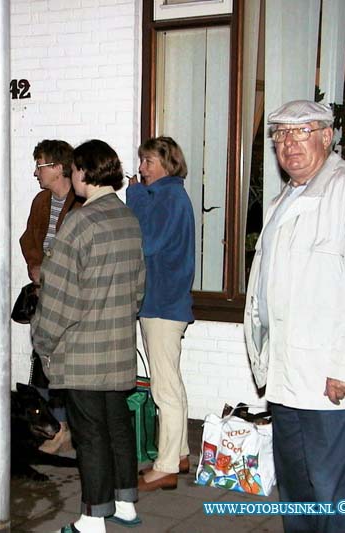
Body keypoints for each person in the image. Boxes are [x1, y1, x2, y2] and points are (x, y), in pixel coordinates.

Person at [244, 100, 345, 533]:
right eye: (280, 136)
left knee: (338, 496)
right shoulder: (281, 201)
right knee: (297, 493)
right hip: (286, 379)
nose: (289, 144)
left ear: (327, 137)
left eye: (301, 132)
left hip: (331, 383)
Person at [32, 139, 146, 533]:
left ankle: (92, 519)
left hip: (82, 352)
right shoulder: (127, 218)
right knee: (118, 427)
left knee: (90, 434)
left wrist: (43, 342)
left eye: (75, 170)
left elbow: (58, 296)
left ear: (82, 172)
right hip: (118, 347)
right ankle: (126, 505)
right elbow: (138, 288)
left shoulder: (80, 222)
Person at [127, 136, 196, 491]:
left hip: (162, 303)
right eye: (141, 161)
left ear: (168, 163)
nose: (141, 169)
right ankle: (180, 453)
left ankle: (165, 466)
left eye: (148, 161)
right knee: (171, 382)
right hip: (166, 302)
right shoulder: (170, 196)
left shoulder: (168, 197)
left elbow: (147, 242)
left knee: (164, 388)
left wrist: (135, 197)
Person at [19, 139, 82, 455]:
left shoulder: (81, 203)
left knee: (65, 365)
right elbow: (28, 237)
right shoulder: (41, 202)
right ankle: (52, 426)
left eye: (40, 165)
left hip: (69, 299)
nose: (36, 172)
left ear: (58, 167)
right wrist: (34, 264)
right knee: (43, 364)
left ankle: (65, 429)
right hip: (43, 294)